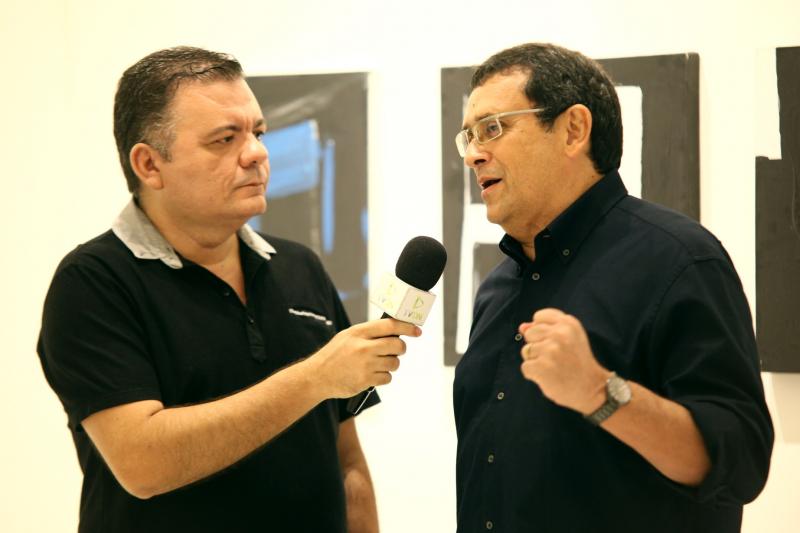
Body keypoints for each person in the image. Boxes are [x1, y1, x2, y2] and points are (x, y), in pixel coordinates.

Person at [37, 46, 417, 533]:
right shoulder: (93, 283)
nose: (257, 153)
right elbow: (145, 463)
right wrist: (314, 378)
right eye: (224, 138)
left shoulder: (300, 267)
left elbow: (345, 460)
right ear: (149, 165)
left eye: (258, 132)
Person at [452, 43, 773, 533]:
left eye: (493, 128)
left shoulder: (680, 261)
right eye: (469, 136)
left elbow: (740, 462)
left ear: (573, 130)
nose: (474, 154)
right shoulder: (497, 289)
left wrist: (600, 392)